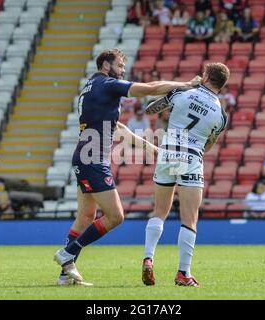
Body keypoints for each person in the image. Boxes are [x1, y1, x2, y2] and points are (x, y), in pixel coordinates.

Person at [53, 49, 201, 286]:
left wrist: (147, 147)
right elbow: (151, 88)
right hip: (93, 160)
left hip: (84, 156)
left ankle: (65, 273)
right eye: (120, 65)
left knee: (86, 217)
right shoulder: (107, 84)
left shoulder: (91, 87)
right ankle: (68, 253)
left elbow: (118, 128)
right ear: (105, 66)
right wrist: (185, 84)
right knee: (115, 216)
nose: (123, 70)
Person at [141, 62, 229, 287]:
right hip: (191, 157)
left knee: (160, 211)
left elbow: (150, 109)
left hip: (168, 153)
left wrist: (178, 91)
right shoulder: (220, 114)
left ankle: (149, 258)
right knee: (189, 218)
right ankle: (183, 273)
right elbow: (209, 145)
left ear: (206, 76)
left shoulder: (183, 92)